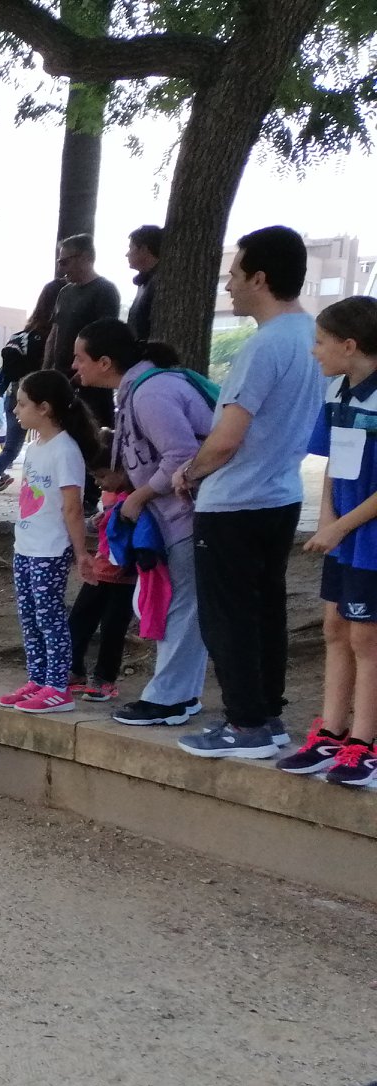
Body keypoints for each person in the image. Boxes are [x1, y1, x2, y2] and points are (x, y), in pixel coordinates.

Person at [175, 225, 324, 759]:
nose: (229, 286)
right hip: (281, 496)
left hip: (235, 503)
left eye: (234, 275)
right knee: (265, 611)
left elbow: (226, 439)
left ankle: (245, 725)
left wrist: (189, 472)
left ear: (259, 278)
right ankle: (267, 716)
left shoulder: (264, 346)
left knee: (228, 617)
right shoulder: (313, 337)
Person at [73, 318, 215, 728]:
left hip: (188, 515)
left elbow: (181, 457)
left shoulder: (150, 392)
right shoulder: (140, 389)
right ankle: (181, 694)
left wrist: (138, 497)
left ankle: (167, 698)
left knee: (181, 605)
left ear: (104, 362)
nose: (75, 366)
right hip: (178, 516)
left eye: (80, 357)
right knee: (182, 603)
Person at [278, 296, 377, 786]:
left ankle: (365, 743)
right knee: (335, 628)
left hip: (369, 536)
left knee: (366, 637)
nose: (315, 351)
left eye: (321, 342)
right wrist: (328, 520)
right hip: (344, 534)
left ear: (350, 345)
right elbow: (335, 464)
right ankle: (332, 734)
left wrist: (343, 526)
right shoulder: (337, 391)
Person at [0, 371, 96, 713]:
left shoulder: (65, 450)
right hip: (25, 546)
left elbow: (72, 507)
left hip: (50, 550)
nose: (16, 411)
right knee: (29, 617)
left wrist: (80, 552)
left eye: (22, 404)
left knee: (50, 618)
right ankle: (37, 680)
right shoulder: (35, 447)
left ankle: (58, 687)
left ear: (44, 408)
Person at [0, 281, 63, 499]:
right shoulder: (51, 337)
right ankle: (45, 494)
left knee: (10, 449)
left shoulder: (21, 336)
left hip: (16, 396)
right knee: (51, 443)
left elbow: (4, 375)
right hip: (42, 398)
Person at [66, 465, 137, 703]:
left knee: (112, 627)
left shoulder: (134, 497)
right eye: (95, 477)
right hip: (101, 568)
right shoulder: (108, 495)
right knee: (79, 619)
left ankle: (105, 678)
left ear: (122, 472)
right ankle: (75, 669)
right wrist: (97, 521)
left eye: (103, 476)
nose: (98, 482)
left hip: (124, 573)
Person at [46, 235, 122, 428]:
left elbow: (105, 337)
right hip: (61, 380)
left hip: (91, 385)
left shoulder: (104, 290)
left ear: (85, 257)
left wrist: (82, 374)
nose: (61, 269)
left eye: (65, 262)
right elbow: (55, 333)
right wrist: (46, 371)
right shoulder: (64, 292)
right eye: (59, 262)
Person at [127, 225, 163, 341]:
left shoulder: (158, 283)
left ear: (143, 249)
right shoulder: (145, 282)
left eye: (130, 248)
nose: (127, 254)